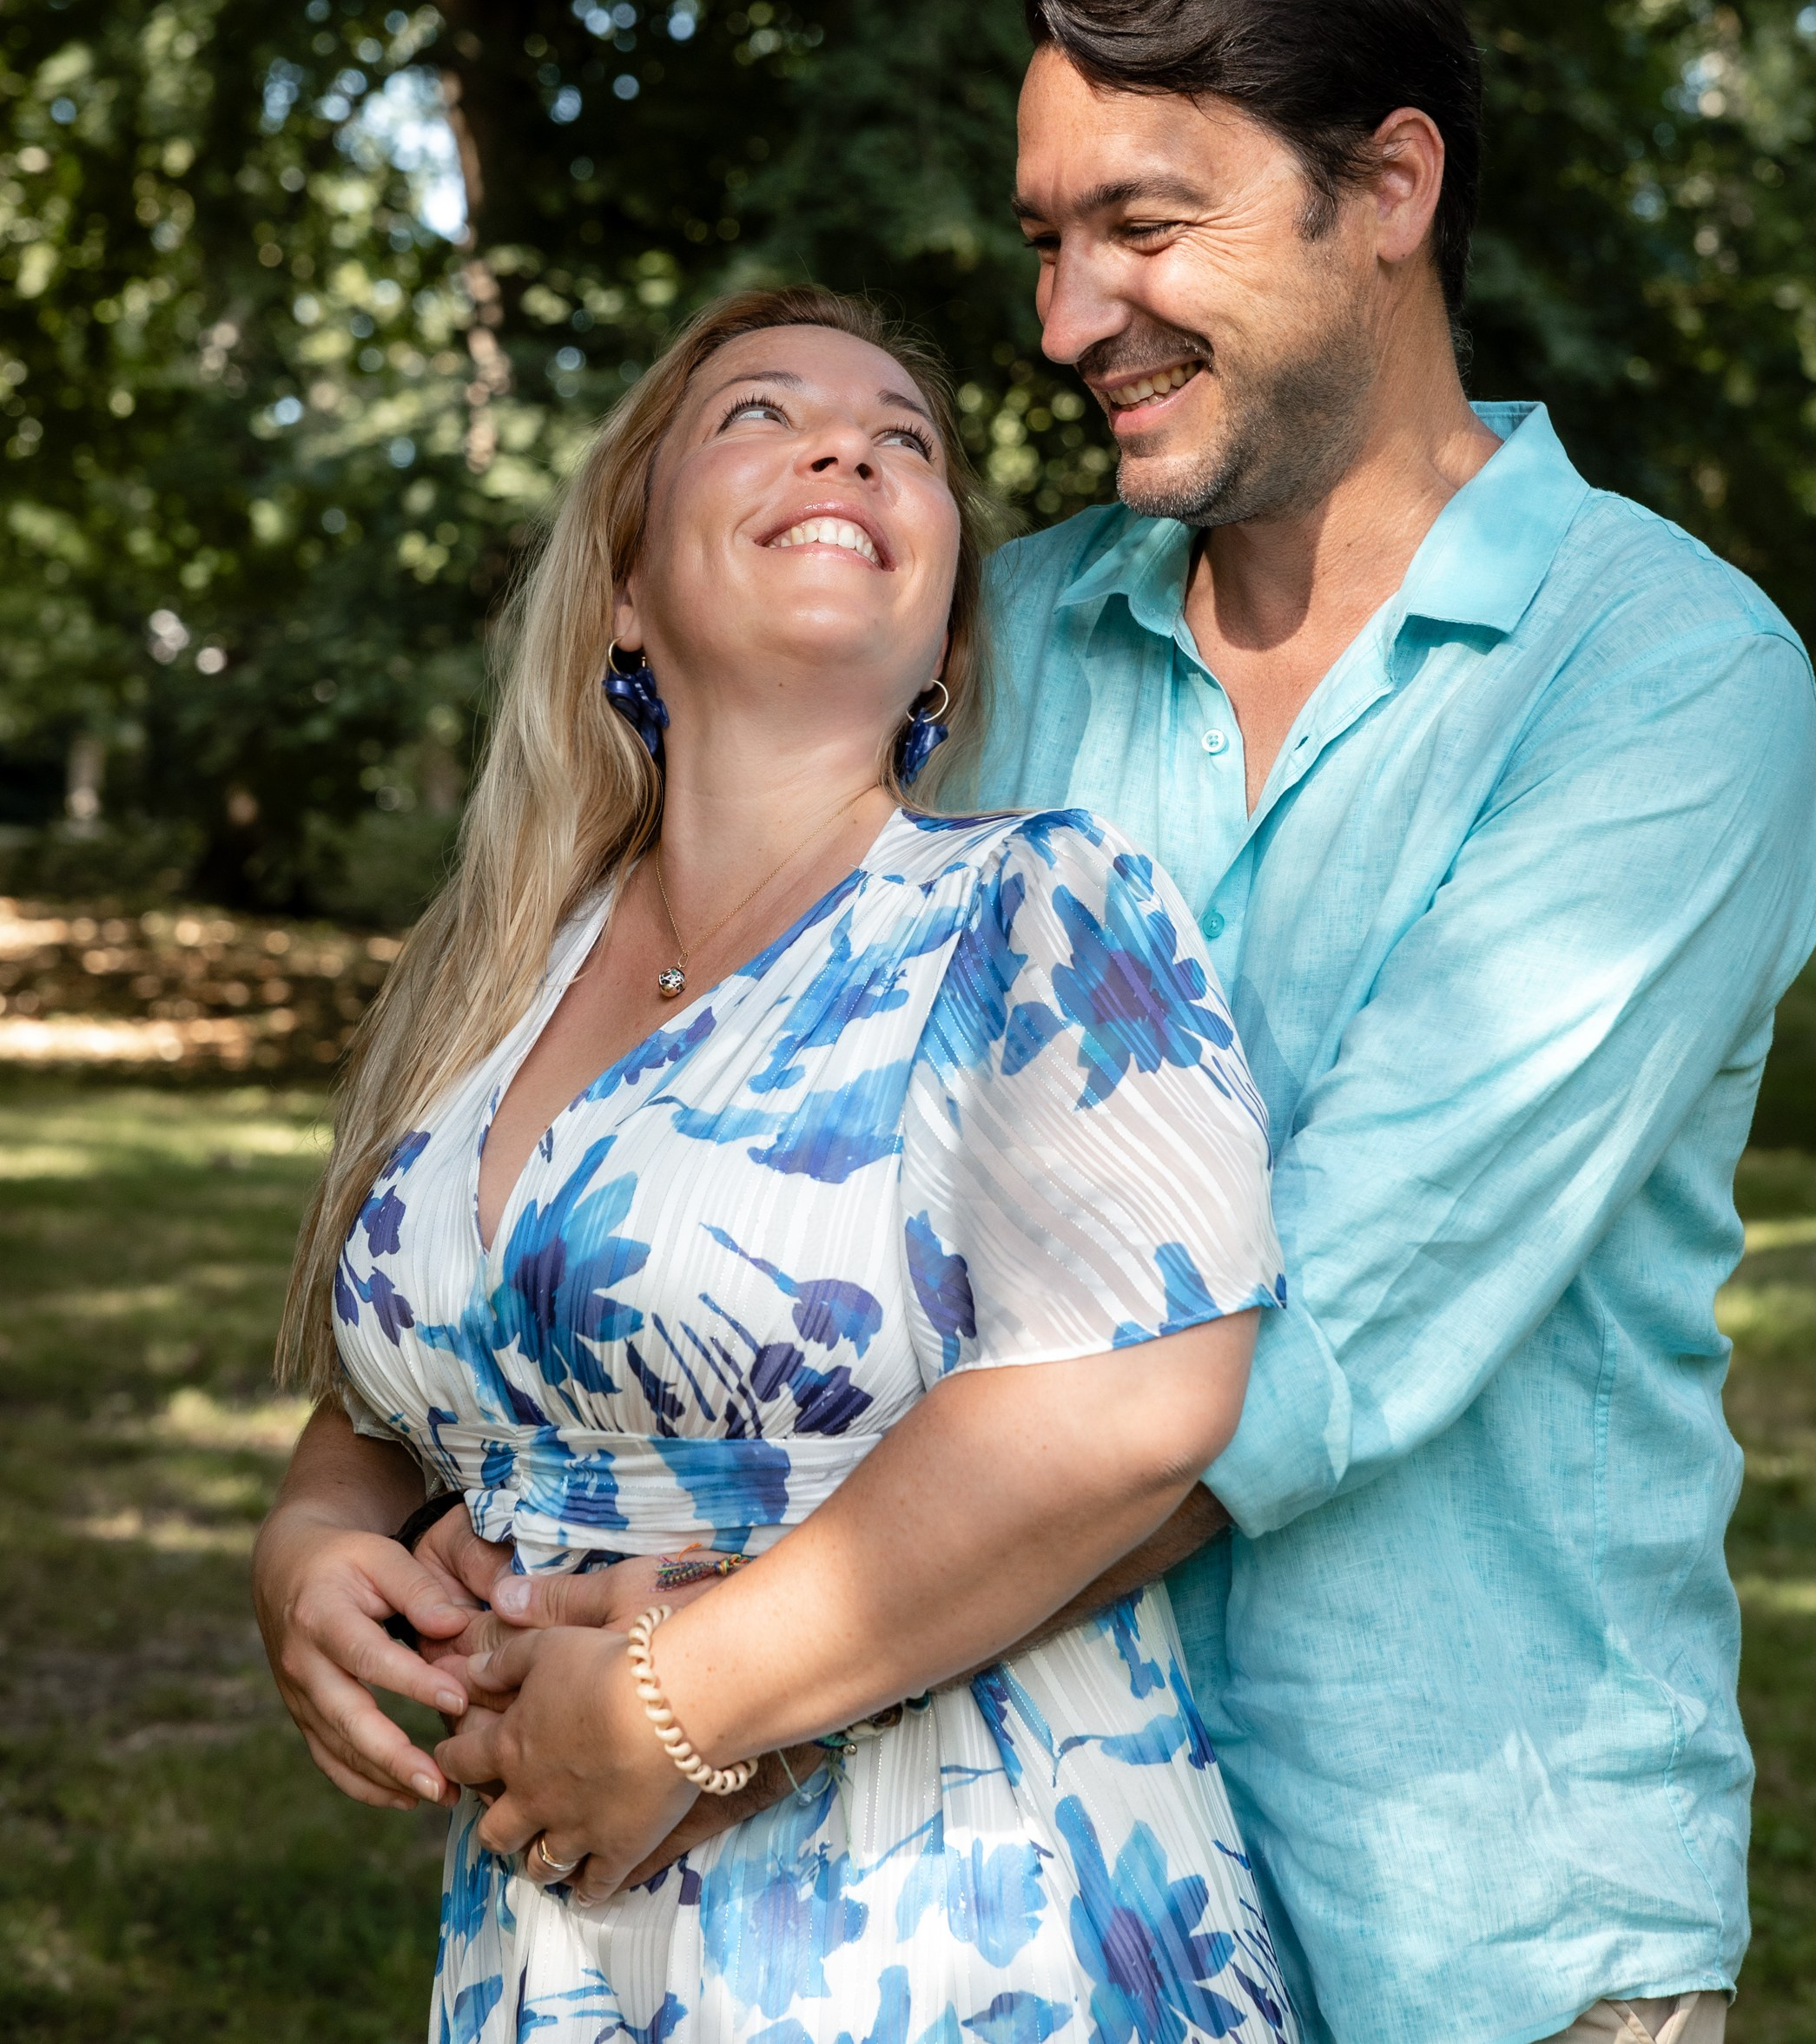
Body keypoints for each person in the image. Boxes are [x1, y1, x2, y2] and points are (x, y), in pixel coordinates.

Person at [448, 0, 1816, 2044]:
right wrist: (349, 1510)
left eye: (1146, 229)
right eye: (1041, 239)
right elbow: (646, 1087)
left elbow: (1308, 1342)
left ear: (1387, 186)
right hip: (973, 1910)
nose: (1068, 315)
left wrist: (706, 1694)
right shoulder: (992, 651)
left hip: (1466, 1917)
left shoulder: (1662, 683)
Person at [254, 287, 1301, 2044]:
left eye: (906, 442)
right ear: (626, 592)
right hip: (558, 1926)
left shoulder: (1035, 905)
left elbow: (1149, 1393)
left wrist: (674, 1706)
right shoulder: (504, 965)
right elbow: (428, 1378)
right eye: (762, 415)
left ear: (950, 646)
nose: (849, 448)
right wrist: (312, 1537)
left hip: (958, 1907)